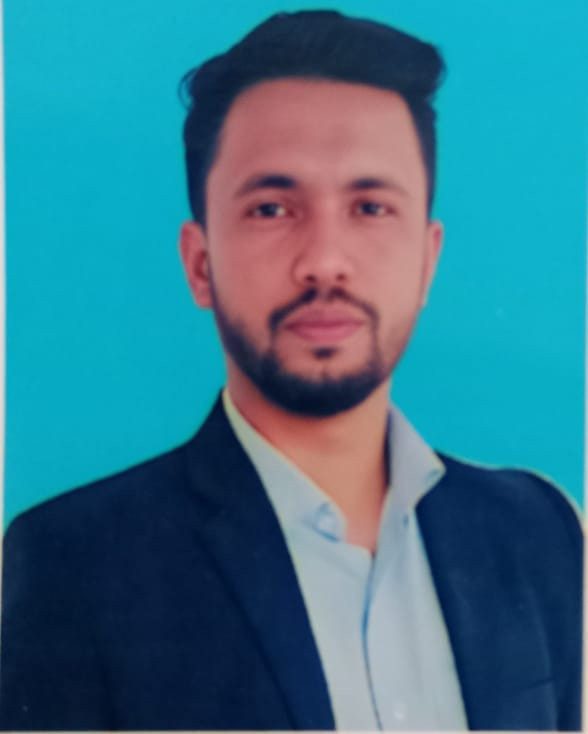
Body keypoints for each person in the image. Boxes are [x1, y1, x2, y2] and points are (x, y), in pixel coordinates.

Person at [0, 9, 582, 732]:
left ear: (428, 259)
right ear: (200, 264)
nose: (325, 261)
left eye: (371, 206)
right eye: (272, 208)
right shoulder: (73, 565)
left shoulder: (537, 531)